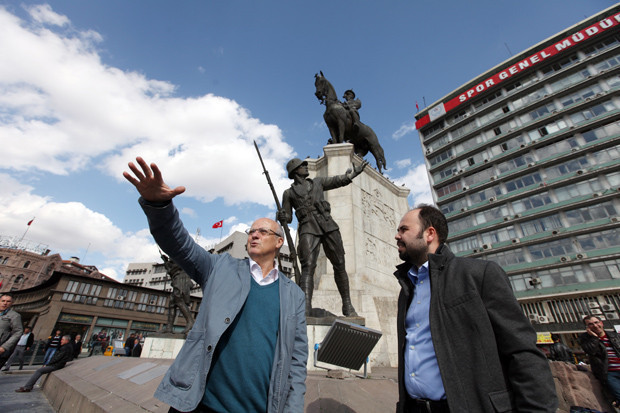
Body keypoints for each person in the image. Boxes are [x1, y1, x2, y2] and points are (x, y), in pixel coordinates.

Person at [123, 156, 307, 413]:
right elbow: (179, 244)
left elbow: (297, 360)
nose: (254, 235)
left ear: (279, 242)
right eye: (251, 231)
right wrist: (159, 206)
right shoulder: (219, 267)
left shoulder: (293, 295)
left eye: (263, 231)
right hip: (200, 405)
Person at [394, 205, 557, 412]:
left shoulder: (479, 274)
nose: (397, 236)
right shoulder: (408, 289)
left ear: (429, 234)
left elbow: (521, 350)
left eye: (404, 229)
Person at [278, 157, 367, 316]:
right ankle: (305, 308)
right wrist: (282, 216)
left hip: (327, 224)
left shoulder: (317, 182)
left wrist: (352, 175)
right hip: (307, 227)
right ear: (295, 171)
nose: (306, 167)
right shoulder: (289, 193)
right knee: (308, 267)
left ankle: (347, 305)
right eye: (302, 166)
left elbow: (336, 181)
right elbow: (288, 218)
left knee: (339, 264)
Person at [579, 315, 620, 407]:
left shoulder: (614, 335)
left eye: (596, 322)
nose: (595, 325)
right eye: (590, 324)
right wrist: (594, 338)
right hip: (609, 373)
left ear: (601, 323)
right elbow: (591, 351)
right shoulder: (585, 338)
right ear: (587, 327)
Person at [0, 293, 23, 370]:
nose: (5, 303)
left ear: (12, 303)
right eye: (3, 301)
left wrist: (4, 347)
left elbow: (18, 332)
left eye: (8, 301)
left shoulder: (15, 316)